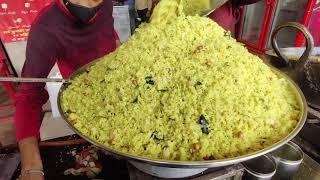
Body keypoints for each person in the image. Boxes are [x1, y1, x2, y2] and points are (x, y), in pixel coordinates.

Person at [15, 0, 120, 179]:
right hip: (89, 108)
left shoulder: (107, 4)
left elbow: (107, 27)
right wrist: (31, 165)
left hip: (120, 93)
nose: (87, 3)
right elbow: (28, 95)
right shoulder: (46, 28)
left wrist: (117, 45)